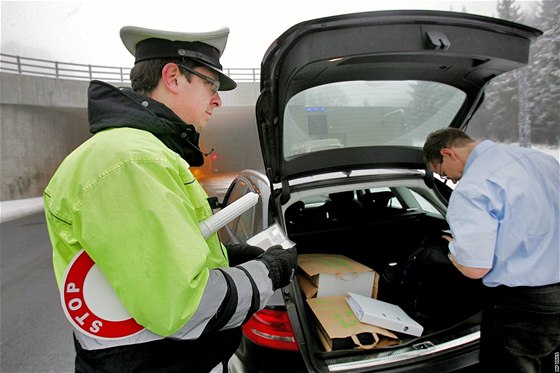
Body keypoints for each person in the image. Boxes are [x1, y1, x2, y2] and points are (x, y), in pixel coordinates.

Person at [43, 25, 297, 373]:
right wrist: (268, 272)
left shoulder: (140, 154)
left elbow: (161, 258)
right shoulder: (129, 162)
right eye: (211, 84)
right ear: (173, 77)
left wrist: (226, 257)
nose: (218, 99)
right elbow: (183, 306)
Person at [423, 128, 560, 372]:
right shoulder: (542, 160)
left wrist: (453, 249)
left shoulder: (473, 188)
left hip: (523, 304)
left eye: (443, 174)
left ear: (447, 153)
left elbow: (475, 268)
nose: (452, 181)